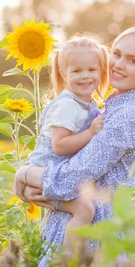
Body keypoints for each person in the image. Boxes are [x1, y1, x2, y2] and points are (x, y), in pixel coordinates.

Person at [14, 26, 135, 265]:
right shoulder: (112, 103)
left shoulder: (130, 115)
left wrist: (25, 174)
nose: (117, 64)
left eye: (132, 60)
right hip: (81, 222)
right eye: (116, 54)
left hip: (96, 233)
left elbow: (77, 175)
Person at [27, 36, 109, 253]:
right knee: (84, 209)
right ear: (64, 73)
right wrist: (91, 132)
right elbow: (60, 146)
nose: (85, 76)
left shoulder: (86, 102)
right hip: (46, 173)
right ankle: (69, 259)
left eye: (92, 69)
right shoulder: (67, 106)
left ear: (101, 70)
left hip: (57, 173)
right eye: (76, 71)